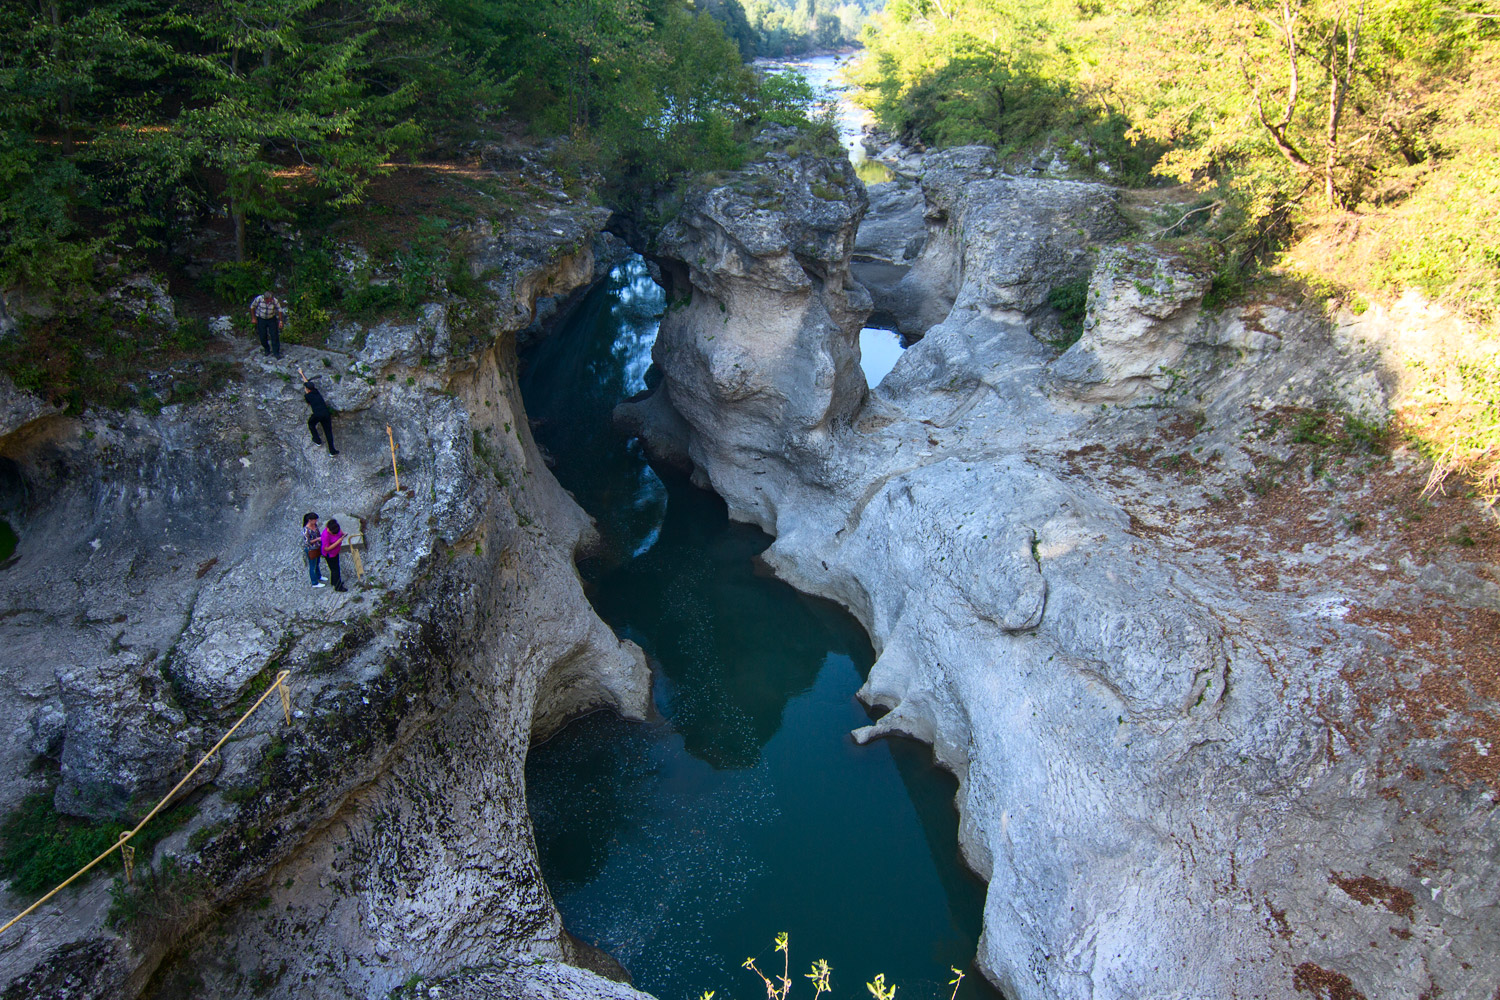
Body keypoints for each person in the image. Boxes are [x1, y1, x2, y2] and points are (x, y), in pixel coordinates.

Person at [298, 367, 338, 456]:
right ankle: (332, 451)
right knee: (328, 432)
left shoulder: (308, 396)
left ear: (307, 390)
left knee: (311, 424)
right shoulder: (316, 392)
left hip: (318, 414)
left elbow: (308, 397)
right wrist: (301, 373)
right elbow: (307, 383)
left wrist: (301, 374)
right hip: (326, 413)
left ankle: (317, 440)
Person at [249, 290, 285, 358]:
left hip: (271, 319)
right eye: (269, 300)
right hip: (261, 319)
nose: (270, 301)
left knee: (274, 335)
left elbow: (280, 310)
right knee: (262, 335)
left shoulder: (275, 301)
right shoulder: (259, 299)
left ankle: (276, 352)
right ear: (265, 298)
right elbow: (252, 307)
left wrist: (280, 321)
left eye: (271, 299)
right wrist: (253, 318)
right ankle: (266, 349)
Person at [321, 518, 348, 593]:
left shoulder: (336, 528)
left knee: (334, 569)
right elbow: (327, 548)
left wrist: (343, 534)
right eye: (334, 533)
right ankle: (338, 586)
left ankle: (334, 582)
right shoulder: (325, 535)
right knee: (335, 570)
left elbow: (340, 532)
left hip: (335, 552)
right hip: (330, 555)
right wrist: (338, 541)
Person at [302, 512, 325, 588]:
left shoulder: (315, 526)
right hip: (311, 549)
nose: (316, 521)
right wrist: (317, 539)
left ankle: (319, 576)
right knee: (312, 566)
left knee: (317, 563)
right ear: (310, 520)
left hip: (317, 547)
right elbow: (307, 542)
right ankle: (314, 582)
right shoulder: (306, 530)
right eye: (315, 520)